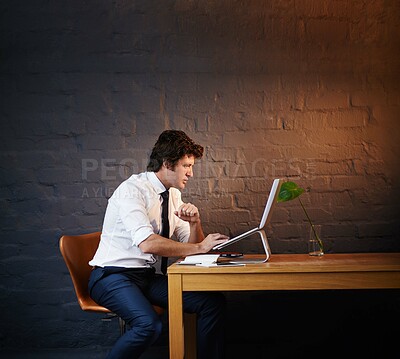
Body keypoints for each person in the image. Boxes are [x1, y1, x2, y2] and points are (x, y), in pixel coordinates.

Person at [88, 130, 229, 359]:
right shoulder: (131, 190)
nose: (191, 173)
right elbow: (147, 243)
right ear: (167, 164)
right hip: (111, 277)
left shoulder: (172, 195)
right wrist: (200, 247)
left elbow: (191, 248)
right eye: (186, 166)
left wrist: (195, 225)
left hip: (144, 277)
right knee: (149, 326)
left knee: (211, 303)